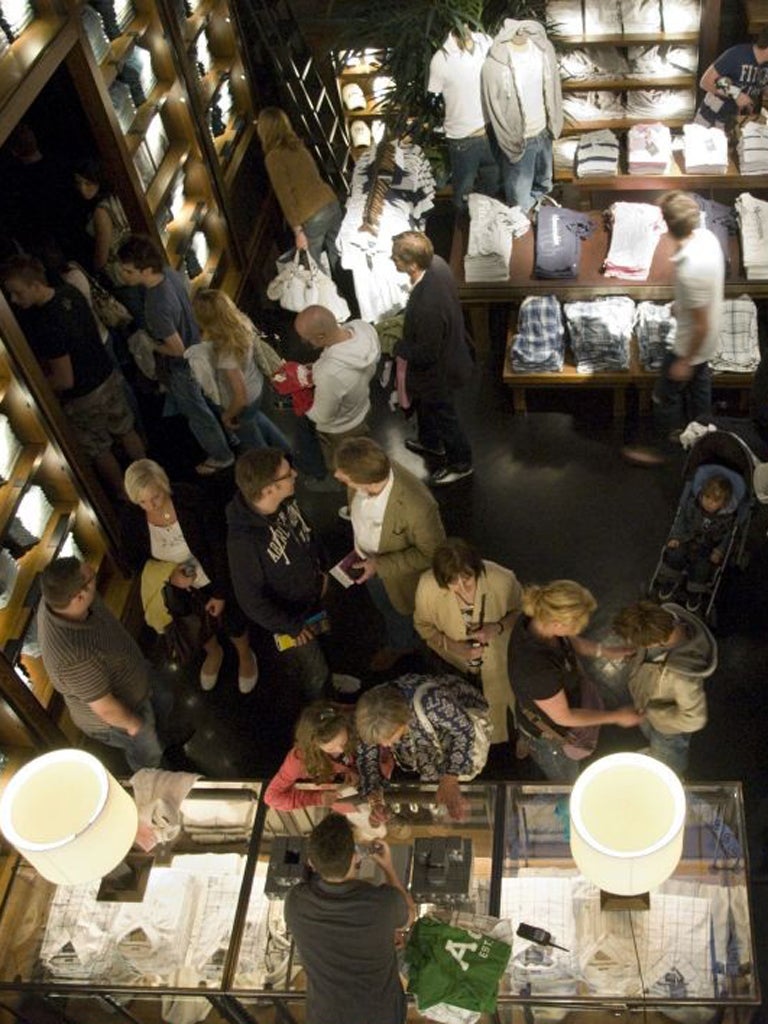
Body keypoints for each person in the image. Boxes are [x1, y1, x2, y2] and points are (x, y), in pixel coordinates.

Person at [0, 254, 145, 499]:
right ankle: (147, 473)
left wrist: (39, 388)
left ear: (35, 285)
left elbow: (65, 380)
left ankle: (123, 494)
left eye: (17, 293)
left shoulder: (47, 324)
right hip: (106, 376)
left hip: (84, 397)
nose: (14, 300)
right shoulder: (70, 293)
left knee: (99, 448)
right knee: (126, 429)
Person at [122, 459, 257, 694]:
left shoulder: (191, 499)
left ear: (163, 484)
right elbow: (135, 561)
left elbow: (219, 545)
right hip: (179, 589)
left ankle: (245, 656)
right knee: (195, 625)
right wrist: (170, 574)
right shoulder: (133, 518)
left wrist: (220, 593)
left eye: (155, 497)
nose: (150, 506)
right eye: (142, 501)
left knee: (232, 619)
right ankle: (214, 653)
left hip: (213, 576)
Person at [117, 235, 234, 476]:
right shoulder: (169, 274)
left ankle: (222, 456)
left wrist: (150, 344)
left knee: (198, 414)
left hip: (183, 365)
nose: (123, 276)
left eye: (128, 271)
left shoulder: (155, 305)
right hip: (198, 347)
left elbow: (177, 349)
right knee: (212, 396)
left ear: (145, 270)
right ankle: (232, 434)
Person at [37, 557, 167, 771]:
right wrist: (138, 727)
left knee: (163, 705)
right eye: (92, 578)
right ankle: (160, 781)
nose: (94, 572)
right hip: (124, 715)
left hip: (133, 676)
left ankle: (166, 739)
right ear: (79, 597)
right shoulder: (74, 658)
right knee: (149, 757)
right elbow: (106, 709)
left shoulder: (57, 599)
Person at [623, 191, 724, 466]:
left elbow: (699, 324)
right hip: (709, 339)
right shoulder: (707, 239)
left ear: (668, 226)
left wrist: (685, 360)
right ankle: (703, 450)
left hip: (691, 343)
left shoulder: (690, 268)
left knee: (664, 396)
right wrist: (682, 305)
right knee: (700, 400)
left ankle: (663, 454)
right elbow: (704, 297)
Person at [284, 813, 413, 1024]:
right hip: (380, 1015)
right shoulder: (382, 903)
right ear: (355, 858)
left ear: (311, 863)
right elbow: (409, 916)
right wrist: (388, 867)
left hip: (326, 1016)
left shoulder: (295, 901)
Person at [508, 581, 643, 782]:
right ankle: (531, 743)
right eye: (574, 627)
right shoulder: (536, 669)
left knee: (529, 726)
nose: (575, 632)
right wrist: (616, 716)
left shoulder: (535, 616)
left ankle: (526, 739)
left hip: (535, 704)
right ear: (557, 623)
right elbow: (565, 718)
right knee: (567, 781)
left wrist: (606, 652)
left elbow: (568, 641)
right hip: (550, 737)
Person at [333, 437, 446, 671]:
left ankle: (403, 645)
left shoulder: (419, 506)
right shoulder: (368, 474)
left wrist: (380, 565)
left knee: (399, 612)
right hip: (368, 562)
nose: (337, 476)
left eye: (344, 474)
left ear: (365, 480)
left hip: (397, 577)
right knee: (383, 606)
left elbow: (432, 553)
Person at [226, 447, 330, 700]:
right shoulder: (244, 543)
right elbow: (251, 601)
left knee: (325, 644)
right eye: (287, 474)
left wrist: (322, 569)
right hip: (292, 618)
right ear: (268, 489)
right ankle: (324, 705)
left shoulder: (285, 502)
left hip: (313, 597)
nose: (294, 473)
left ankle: (330, 682)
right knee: (313, 668)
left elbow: (307, 533)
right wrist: (291, 627)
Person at [414, 537, 522, 746]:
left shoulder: (502, 578)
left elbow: (521, 610)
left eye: (468, 579)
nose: (462, 588)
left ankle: (519, 733)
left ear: (477, 569)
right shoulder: (427, 586)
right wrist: (452, 646)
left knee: (509, 700)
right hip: (455, 665)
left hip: (499, 659)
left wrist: (497, 627)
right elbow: (423, 626)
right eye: (452, 582)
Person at [391, 231, 474, 486]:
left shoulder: (427, 305)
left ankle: (461, 463)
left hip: (440, 374)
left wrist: (398, 347)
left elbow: (426, 354)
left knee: (445, 415)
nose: (391, 259)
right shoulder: (437, 262)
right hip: (453, 353)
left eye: (396, 257)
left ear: (413, 265)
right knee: (427, 407)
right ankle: (431, 443)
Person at [354, 673, 491, 821]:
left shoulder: (432, 703)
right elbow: (366, 755)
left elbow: (464, 730)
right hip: (427, 743)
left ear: (403, 720)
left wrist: (451, 777)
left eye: (389, 738)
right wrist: (374, 794)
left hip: (452, 723)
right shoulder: (369, 715)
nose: (385, 745)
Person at [613, 600, 715, 776]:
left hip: (668, 729)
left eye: (641, 645)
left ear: (655, 643)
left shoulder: (683, 677)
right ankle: (656, 751)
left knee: (669, 758)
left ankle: (669, 769)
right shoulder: (665, 621)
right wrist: (637, 655)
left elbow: (694, 719)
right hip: (648, 709)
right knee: (652, 737)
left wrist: (655, 713)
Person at [191, 288, 291, 452]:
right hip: (257, 387)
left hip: (245, 401)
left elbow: (240, 397)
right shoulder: (242, 321)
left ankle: (272, 468)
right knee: (256, 418)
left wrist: (227, 416)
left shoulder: (226, 352)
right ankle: (286, 450)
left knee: (254, 444)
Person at [480, 19, 562, 210]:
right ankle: (523, 232)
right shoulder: (495, 64)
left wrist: (554, 123)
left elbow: (553, 88)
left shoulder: (543, 51)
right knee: (519, 201)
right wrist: (507, 139)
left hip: (544, 131)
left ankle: (543, 226)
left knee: (544, 185)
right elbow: (493, 105)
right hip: (519, 139)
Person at [294, 305, 380, 471]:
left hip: (341, 429)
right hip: (362, 407)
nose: (305, 342)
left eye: (306, 338)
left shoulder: (329, 373)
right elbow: (350, 373)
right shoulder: (363, 328)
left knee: (347, 468)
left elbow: (323, 416)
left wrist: (300, 396)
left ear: (320, 336)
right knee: (363, 455)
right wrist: (318, 367)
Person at [256, 107, 343, 271]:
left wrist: (297, 231)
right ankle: (350, 291)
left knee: (313, 269)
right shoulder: (298, 146)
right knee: (339, 256)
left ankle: (332, 295)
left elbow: (285, 196)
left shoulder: (273, 157)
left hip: (311, 214)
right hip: (330, 203)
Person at [427, 26, 500, 211]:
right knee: (463, 192)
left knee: (492, 184)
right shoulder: (441, 59)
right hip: (463, 138)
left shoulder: (485, 41)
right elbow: (432, 98)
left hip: (490, 131)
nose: (466, 27)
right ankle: (463, 229)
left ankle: (484, 226)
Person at [658, 471, 738, 612]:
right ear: (701, 494)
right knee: (674, 555)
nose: (709, 503)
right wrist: (675, 537)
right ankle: (670, 581)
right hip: (686, 539)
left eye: (715, 501)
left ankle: (695, 592)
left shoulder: (727, 518)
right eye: (706, 497)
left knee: (702, 568)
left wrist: (719, 550)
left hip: (706, 547)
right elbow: (681, 521)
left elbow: (727, 537)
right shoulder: (692, 505)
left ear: (723, 503)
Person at [264, 701, 358, 810]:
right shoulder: (298, 761)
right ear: (314, 745)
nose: (341, 750)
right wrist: (317, 798)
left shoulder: (352, 725)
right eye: (331, 749)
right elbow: (272, 797)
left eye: (343, 743)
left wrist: (352, 770)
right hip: (330, 789)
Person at [72, 157, 131, 287]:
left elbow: (102, 256)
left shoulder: (101, 211)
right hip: (132, 266)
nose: (82, 189)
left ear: (98, 181)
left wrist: (96, 271)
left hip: (119, 273)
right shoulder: (114, 197)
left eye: (88, 183)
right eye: (78, 183)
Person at [694, 29, 768, 130]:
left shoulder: (765, 65)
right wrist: (736, 94)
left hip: (737, 121)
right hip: (711, 117)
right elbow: (706, 81)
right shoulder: (737, 54)